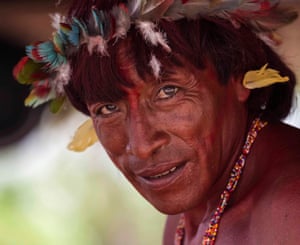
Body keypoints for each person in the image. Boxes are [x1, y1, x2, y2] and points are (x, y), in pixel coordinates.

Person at [13, 0, 300, 244]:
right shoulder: (190, 208)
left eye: (168, 92)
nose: (141, 146)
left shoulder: (290, 208)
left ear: (237, 73)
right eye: (108, 108)